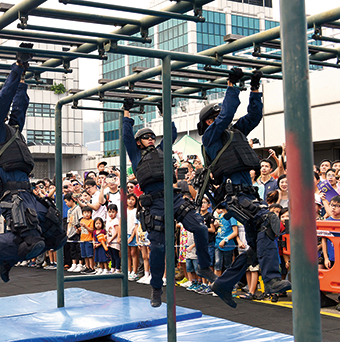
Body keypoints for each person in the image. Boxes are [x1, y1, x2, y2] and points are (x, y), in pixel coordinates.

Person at [196, 67, 291, 308]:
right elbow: (226, 114)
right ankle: (271, 281)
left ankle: (224, 283)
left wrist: (255, 88)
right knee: (267, 222)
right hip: (235, 196)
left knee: (256, 247)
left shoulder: (234, 133)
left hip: (248, 194)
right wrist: (232, 85)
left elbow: (254, 115)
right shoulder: (211, 138)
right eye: (215, 118)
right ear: (209, 122)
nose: (221, 120)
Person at [0, 61, 66, 282]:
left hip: (28, 193)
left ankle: (6, 258)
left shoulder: (11, 131)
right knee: (32, 242)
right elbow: (3, 102)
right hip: (11, 196)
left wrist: (22, 84)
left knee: (56, 236)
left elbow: (18, 109)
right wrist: (17, 68)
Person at [122, 98, 216, 307]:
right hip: (155, 204)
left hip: (173, 198)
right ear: (139, 142)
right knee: (158, 248)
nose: (150, 139)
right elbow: (126, 137)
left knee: (200, 228)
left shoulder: (163, 150)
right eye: (146, 137)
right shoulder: (136, 156)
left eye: (151, 137)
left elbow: (171, 132)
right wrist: (127, 112)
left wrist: (165, 111)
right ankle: (156, 287)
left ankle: (204, 266)